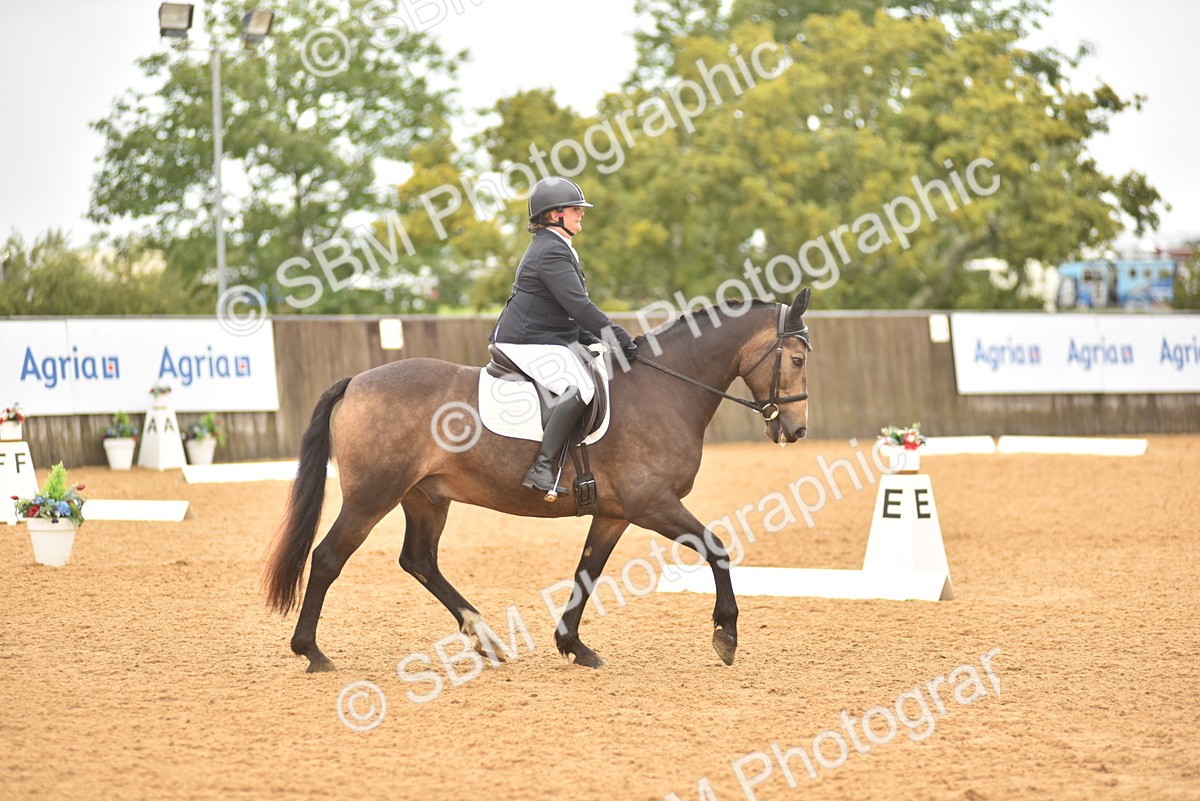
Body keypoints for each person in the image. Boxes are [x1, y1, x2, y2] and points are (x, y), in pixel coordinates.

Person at [490, 176, 639, 499]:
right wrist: (617, 337)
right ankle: (542, 467)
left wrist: (594, 340)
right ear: (555, 214)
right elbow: (579, 306)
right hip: (525, 341)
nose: (581, 214)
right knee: (580, 387)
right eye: (575, 209)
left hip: (544, 336)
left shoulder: (556, 247)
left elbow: (567, 312)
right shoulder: (550, 252)